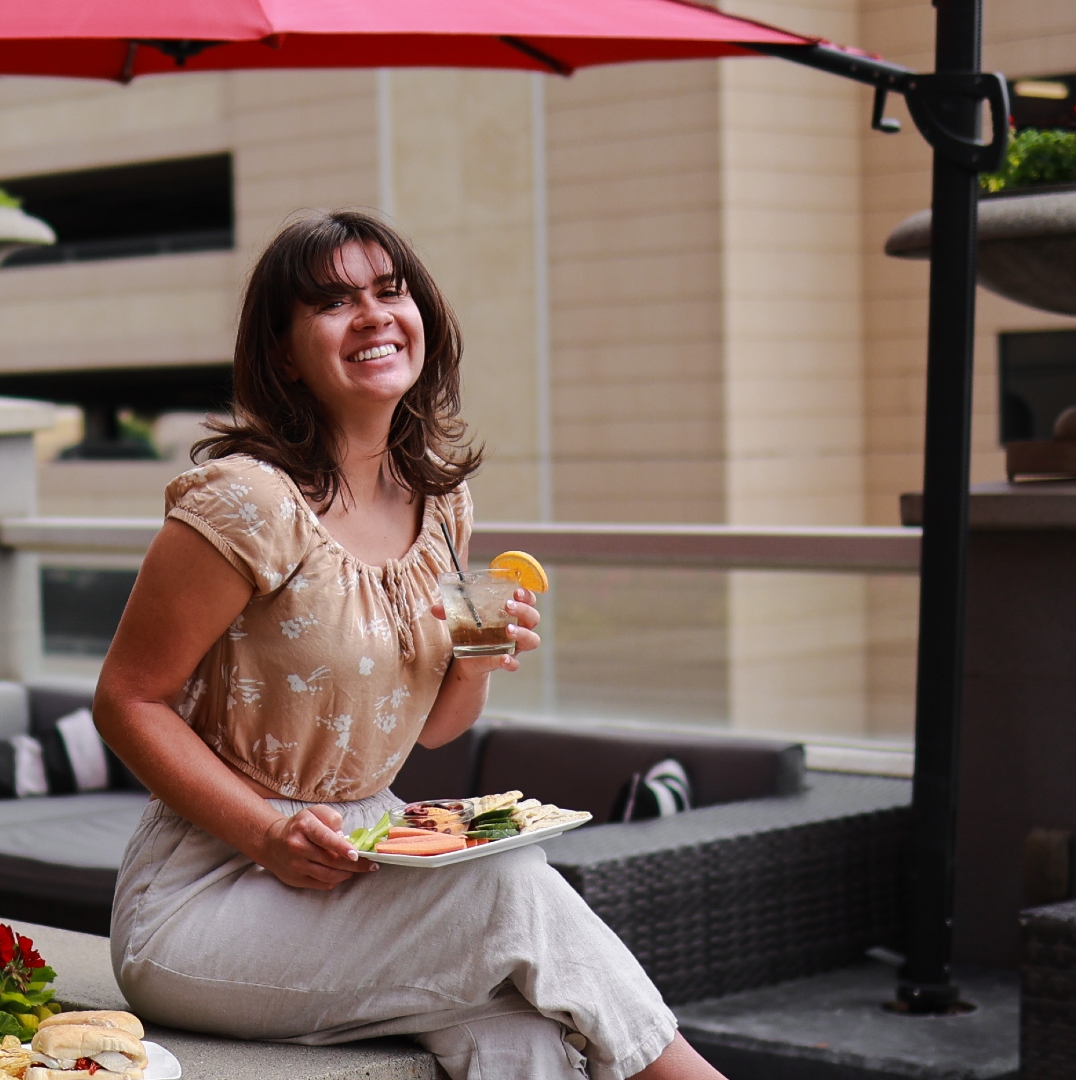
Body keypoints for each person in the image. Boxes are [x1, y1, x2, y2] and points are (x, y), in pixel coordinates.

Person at [92, 210, 725, 1080]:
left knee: (528, 1036)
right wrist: (269, 832)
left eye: (390, 291)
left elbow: (436, 730)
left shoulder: (440, 503)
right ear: (282, 353)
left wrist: (477, 650)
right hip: (210, 893)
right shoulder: (246, 502)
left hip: (375, 858)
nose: (374, 314)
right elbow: (127, 699)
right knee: (508, 884)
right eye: (334, 301)